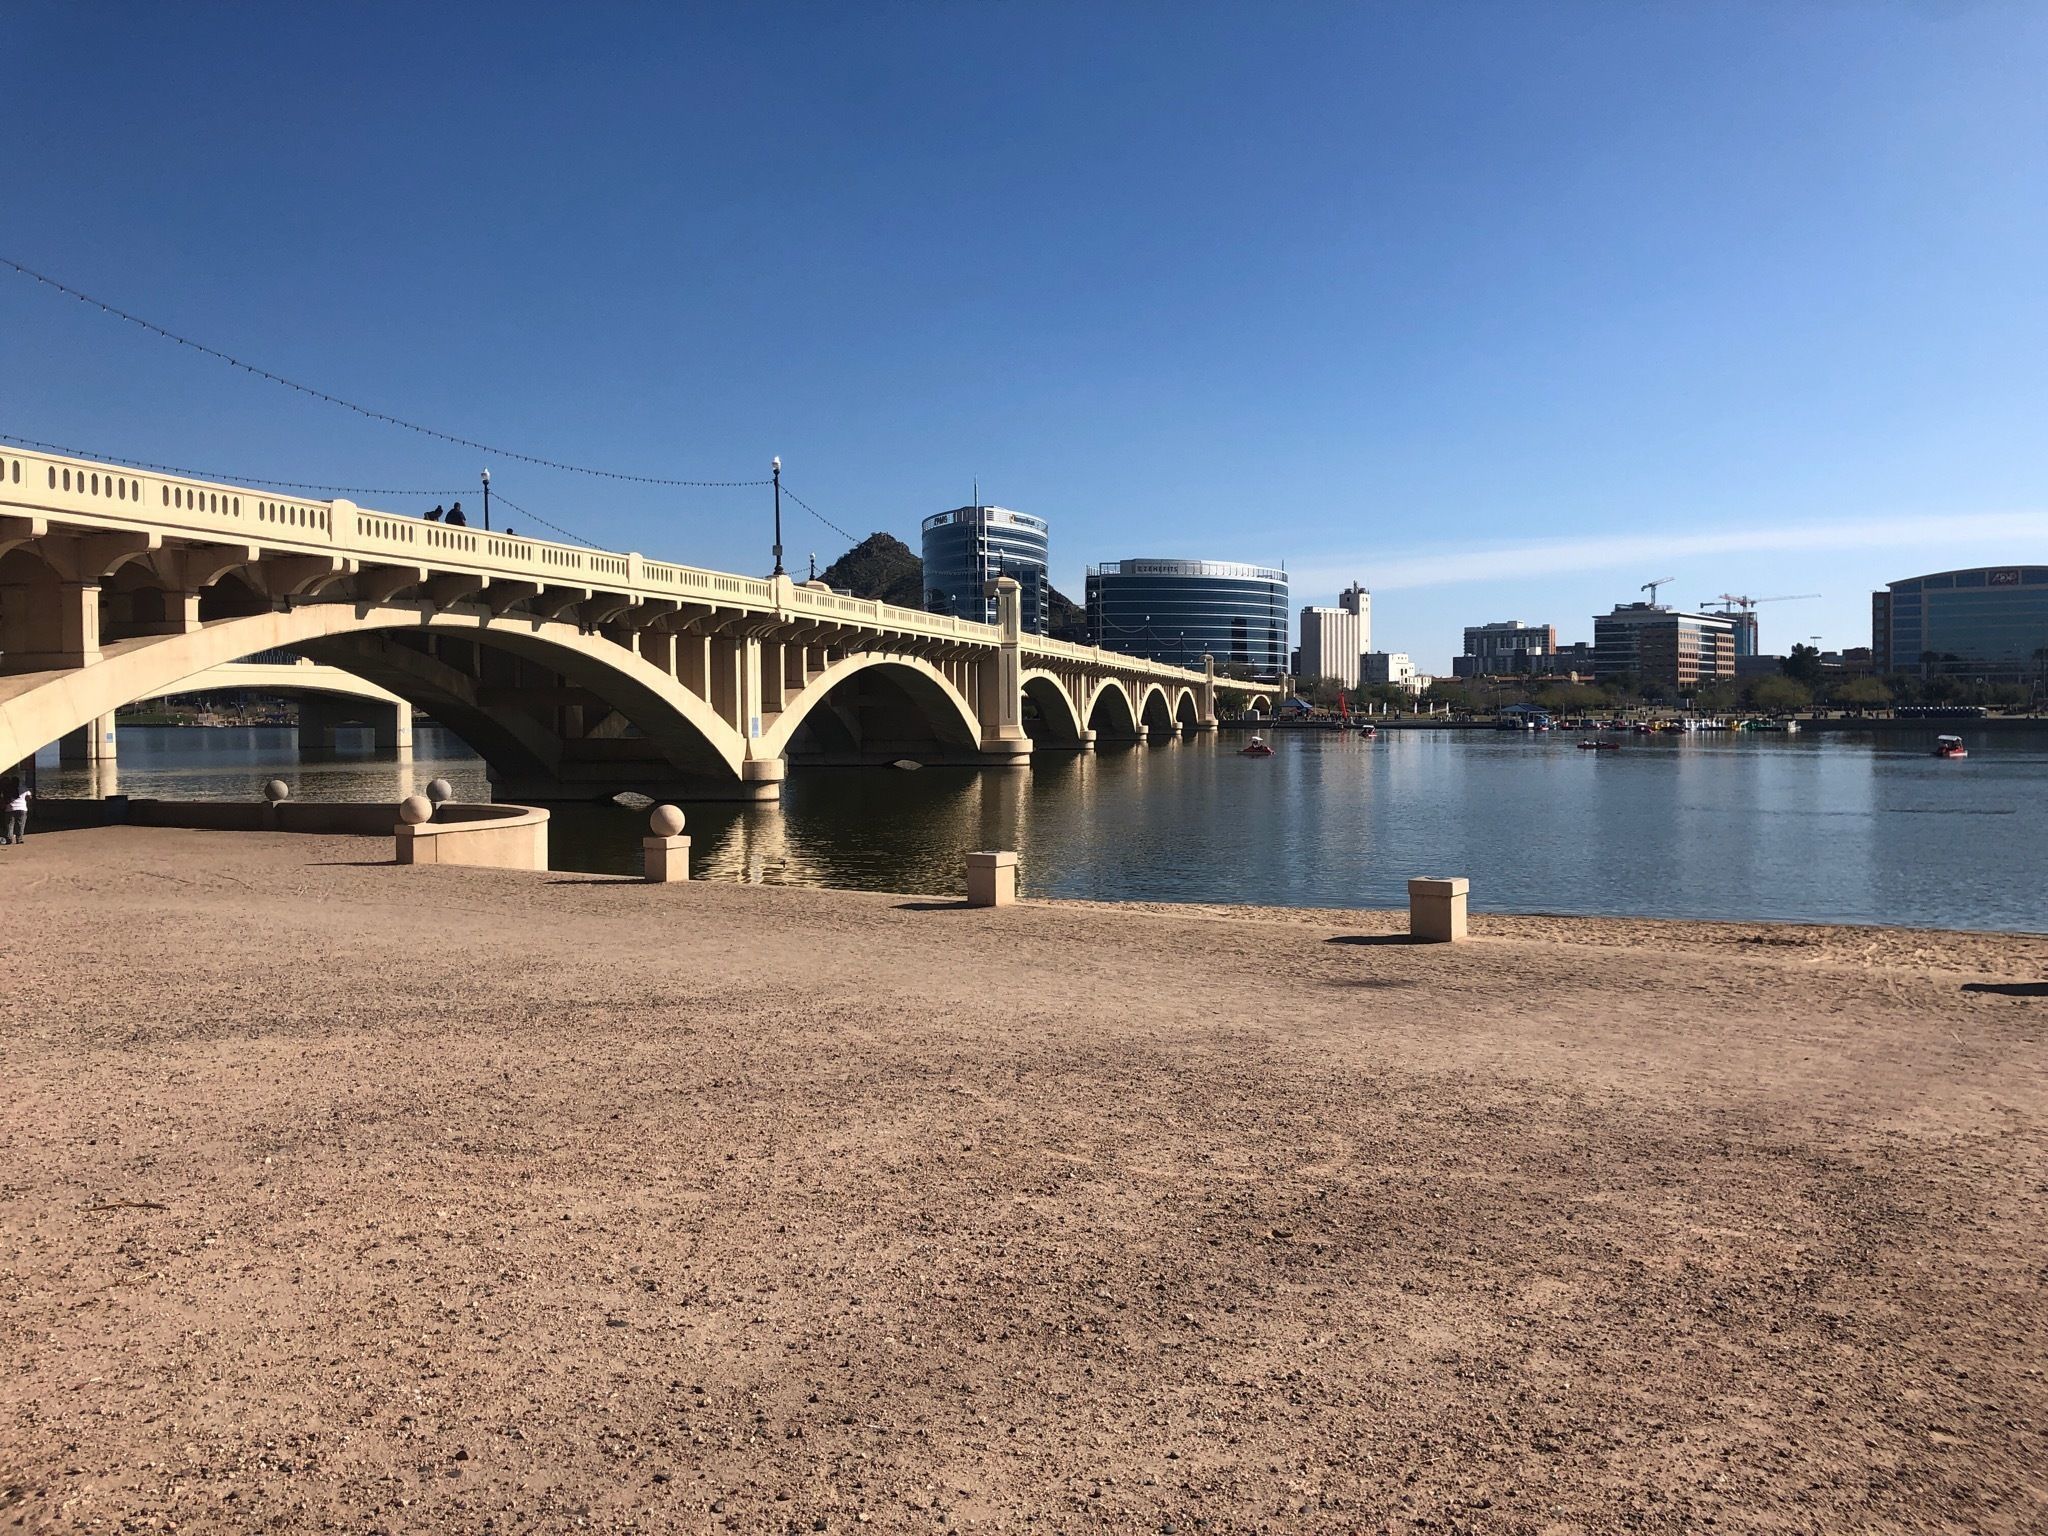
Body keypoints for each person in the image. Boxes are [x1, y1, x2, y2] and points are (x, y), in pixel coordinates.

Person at [4, 777, 28, 845]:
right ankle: (19, 839)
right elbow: (29, 796)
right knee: (20, 824)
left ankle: (9, 839)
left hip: (10, 808)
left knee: (10, 824)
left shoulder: (7, 788)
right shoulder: (23, 788)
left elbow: (4, 798)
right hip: (22, 808)